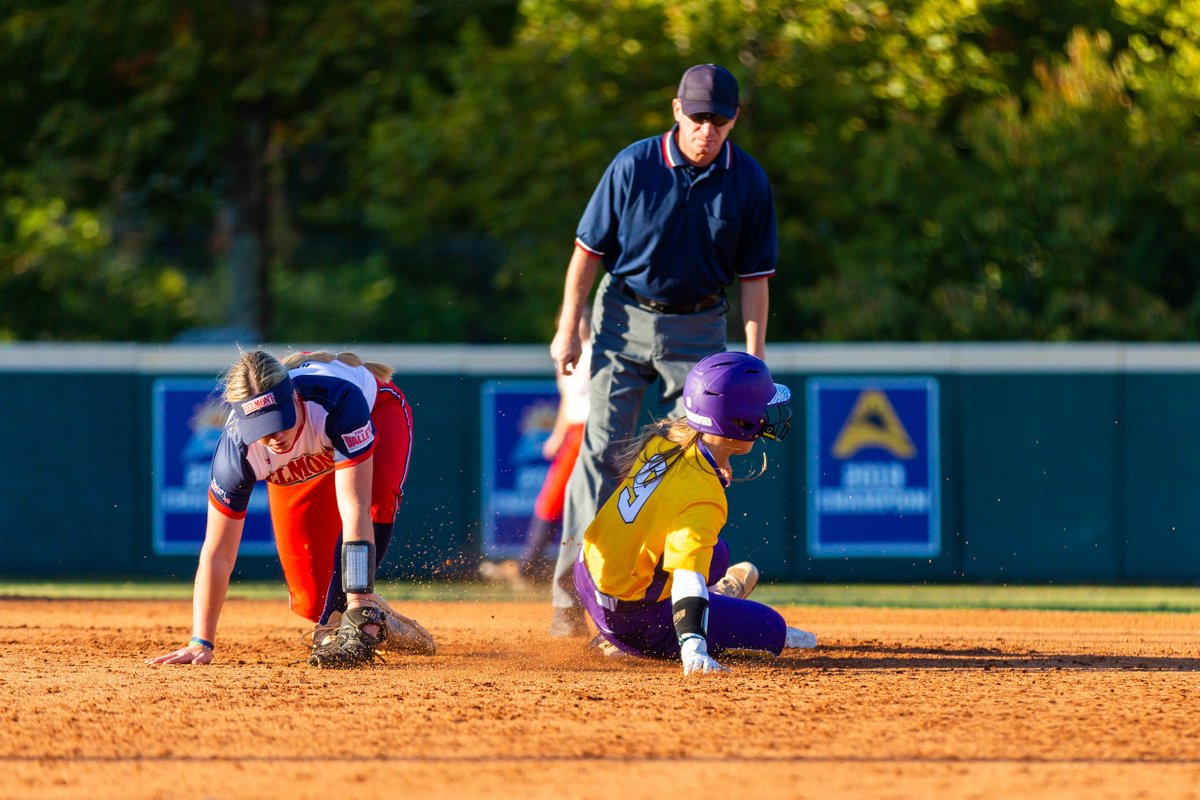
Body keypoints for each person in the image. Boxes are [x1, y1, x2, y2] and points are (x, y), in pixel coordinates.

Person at [548, 63, 779, 636]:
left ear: (733, 121)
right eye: (698, 117)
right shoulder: (633, 164)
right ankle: (569, 602)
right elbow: (587, 253)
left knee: (693, 454)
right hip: (621, 317)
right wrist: (566, 324)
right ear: (676, 111)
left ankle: (679, 590)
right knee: (599, 452)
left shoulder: (747, 180)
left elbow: (755, 280)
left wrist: (754, 362)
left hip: (700, 325)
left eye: (719, 120)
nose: (708, 130)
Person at [147, 349, 435, 669]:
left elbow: (355, 508)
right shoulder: (238, 451)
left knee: (376, 501)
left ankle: (362, 613)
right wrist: (201, 641)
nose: (275, 437)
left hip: (373, 412)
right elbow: (217, 552)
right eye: (262, 429)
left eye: (279, 421)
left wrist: (357, 605)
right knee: (314, 601)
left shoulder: (337, 401)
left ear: (295, 397)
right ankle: (383, 622)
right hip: (309, 456)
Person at [574, 352, 816, 673]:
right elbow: (687, 579)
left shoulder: (669, 437)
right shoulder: (703, 496)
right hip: (630, 619)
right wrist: (693, 648)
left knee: (717, 552)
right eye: (761, 410)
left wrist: (722, 460)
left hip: (589, 574)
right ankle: (622, 641)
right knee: (772, 630)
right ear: (739, 421)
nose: (768, 416)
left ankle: (709, 598)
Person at [480, 307, 592, 588]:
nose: (580, 321)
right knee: (553, 500)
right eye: (574, 317)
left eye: (584, 316)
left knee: (580, 504)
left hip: (594, 433)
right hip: (576, 433)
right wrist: (557, 435)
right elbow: (569, 400)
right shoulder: (566, 351)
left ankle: (529, 567)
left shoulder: (599, 350)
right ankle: (528, 567)